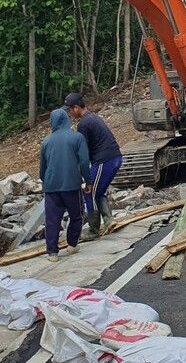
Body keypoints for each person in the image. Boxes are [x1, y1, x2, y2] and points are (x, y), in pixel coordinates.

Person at [65, 93, 123, 234]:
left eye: (70, 110)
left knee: (89, 192)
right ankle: (109, 220)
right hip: (114, 157)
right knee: (98, 191)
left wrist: (82, 174)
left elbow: (83, 153)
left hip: (104, 161)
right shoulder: (93, 117)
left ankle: (94, 229)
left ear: (76, 108)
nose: (69, 113)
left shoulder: (83, 124)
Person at [40, 108, 92, 261]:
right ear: (67, 120)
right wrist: (87, 181)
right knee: (77, 215)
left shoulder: (46, 141)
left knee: (52, 220)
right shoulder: (77, 137)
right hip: (71, 185)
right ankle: (72, 244)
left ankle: (52, 252)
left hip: (51, 187)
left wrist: (45, 181)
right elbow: (83, 162)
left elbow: (43, 167)